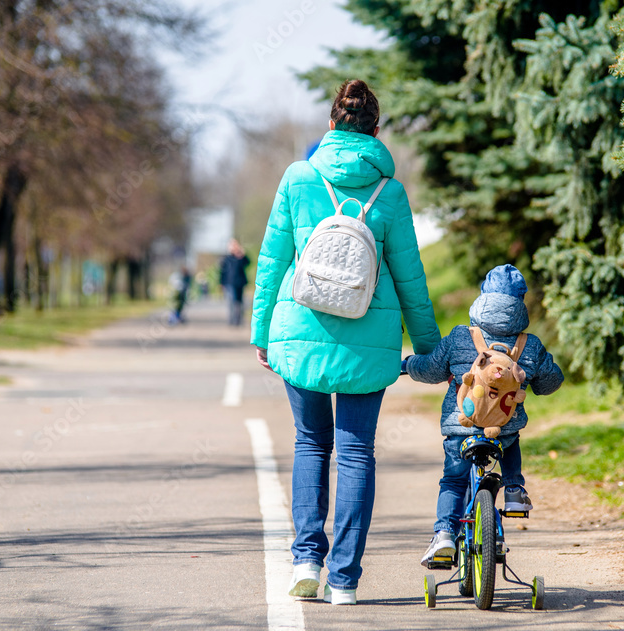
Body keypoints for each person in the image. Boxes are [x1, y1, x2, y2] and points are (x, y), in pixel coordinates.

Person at [250, 79, 440, 605]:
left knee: (311, 443)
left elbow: (271, 262)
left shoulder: (298, 177)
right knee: (356, 454)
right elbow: (410, 277)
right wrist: (428, 346)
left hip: (300, 332)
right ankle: (345, 581)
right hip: (368, 341)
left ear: (331, 125)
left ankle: (306, 559)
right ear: (376, 132)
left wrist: (261, 332)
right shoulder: (391, 191)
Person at [403, 264, 564, 568]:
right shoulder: (529, 345)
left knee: (452, 481)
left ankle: (444, 536)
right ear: (521, 304)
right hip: (502, 431)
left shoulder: (460, 337)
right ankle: (514, 492)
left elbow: (431, 370)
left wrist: (409, 364)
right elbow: (551, 383)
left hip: (461, 427)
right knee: (510, 441)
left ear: (482, 297)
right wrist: (538, 370)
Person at [220, 239, 250, 326]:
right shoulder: (226, 258)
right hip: (229, 283)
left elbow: (248, 263)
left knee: (239, 301)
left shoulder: (240, 257)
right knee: (231, 301)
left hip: (240, 282)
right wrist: (221, 282)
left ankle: (238, 319)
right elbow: (222, 271)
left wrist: (242, 254)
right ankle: (232, 319)